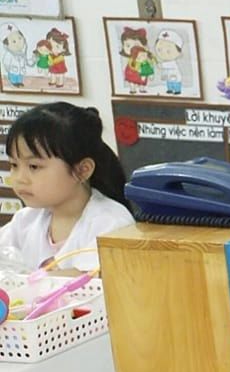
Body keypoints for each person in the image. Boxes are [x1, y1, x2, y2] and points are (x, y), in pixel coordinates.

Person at [0, 102, 136, 272]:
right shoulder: (25, 220)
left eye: (34, 166)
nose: (20, 179)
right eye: (14, 165)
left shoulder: (111, 223)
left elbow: (89, 278)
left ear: (82, 170)